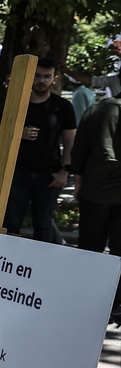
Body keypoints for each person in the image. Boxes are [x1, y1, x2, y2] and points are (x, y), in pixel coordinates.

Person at [0, 58, 77, 242]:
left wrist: (65, 171)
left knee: (43, 224)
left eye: (47, 77)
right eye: (37, 75)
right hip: (17, 173)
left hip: (49, 175)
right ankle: (8, 263)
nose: (41, 80)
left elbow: (70, 141)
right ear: (30, 77)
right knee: (11, 224)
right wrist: (18, 133)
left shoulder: (63, 107)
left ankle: (41, 267)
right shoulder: (16, 104)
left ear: (55, 79)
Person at [70, 95, 121, 320]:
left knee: (91, 249)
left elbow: (79, 150)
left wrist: (78, 184)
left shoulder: (96, 109)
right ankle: (115, 302)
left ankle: (87, 299)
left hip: (95, 189)